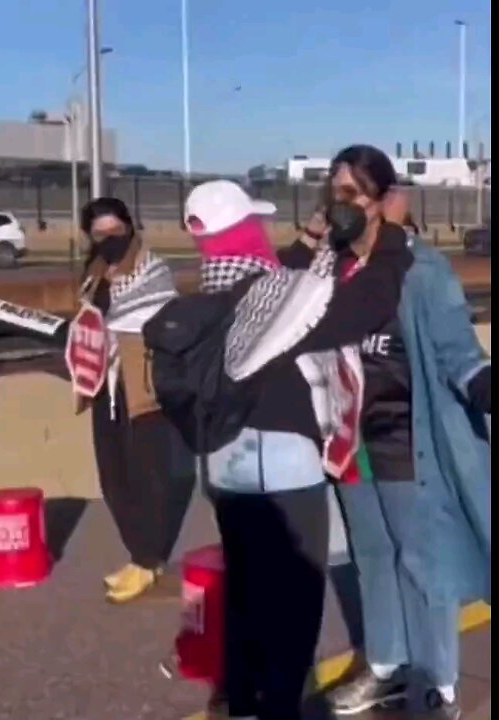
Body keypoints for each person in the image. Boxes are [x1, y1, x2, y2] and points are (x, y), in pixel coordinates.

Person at [276, 145, 491, 720]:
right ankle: (388, 665)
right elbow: (275, 297)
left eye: (352, 194)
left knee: (422, 562)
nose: (340, 204)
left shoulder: (420, 269)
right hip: (350, 443)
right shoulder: (332, 267)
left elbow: (457, 351)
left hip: (405, 439)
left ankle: (437, 682)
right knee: (373, 556)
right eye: (334, 192)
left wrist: (482, 386)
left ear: (383, 201)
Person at [145, 180, 359, 720]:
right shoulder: (281, 293)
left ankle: (240, 699)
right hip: (290, 461)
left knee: (245, 587)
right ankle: (282, 705)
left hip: (226, 464)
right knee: (299, 593)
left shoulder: (199, 306)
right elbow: (333, 315)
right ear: (247, 230)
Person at [77, 197, 195, 603]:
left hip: (144, 386)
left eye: (116, 231)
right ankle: (139, 555)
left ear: (130, 225)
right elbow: (87, 321)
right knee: (113, 476)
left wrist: (101, 328)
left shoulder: (153, 268)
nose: (109, 239)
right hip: (104, 386)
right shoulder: (94, 275)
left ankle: (147, 561)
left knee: (150, 479)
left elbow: (150, 318)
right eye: (99, 234)